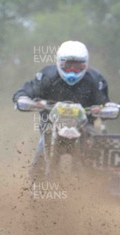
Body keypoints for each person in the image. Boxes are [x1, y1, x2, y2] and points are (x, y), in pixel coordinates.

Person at [12, 40, 109, 173]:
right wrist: (22, 98)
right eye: (67, 66)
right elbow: (29, 89)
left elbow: (104, 102)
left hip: (84, 128)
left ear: (86, 65)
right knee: (38, 165)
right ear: (58, 62)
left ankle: (98, 185)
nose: (72, 71)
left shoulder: (94, 78)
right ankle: (37, 188)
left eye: (77, 67)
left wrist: (104, 109)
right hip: (51, 127)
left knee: (98, 162)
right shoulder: (47, 75)